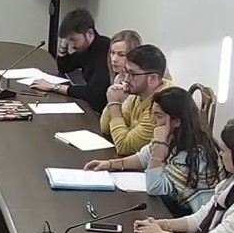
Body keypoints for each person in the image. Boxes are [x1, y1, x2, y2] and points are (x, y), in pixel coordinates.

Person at [87, 86, 224, 216]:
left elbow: (155, 187)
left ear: (177, 122)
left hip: (191, 216)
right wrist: (110, 164)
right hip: (172, 205)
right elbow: (143, 157)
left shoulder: (195, 154)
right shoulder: (174, 138)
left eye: (158, 116)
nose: (153, 121)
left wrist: (159, 145)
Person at [99, 44, 175, 155]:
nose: (126, 79)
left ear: (152, 79)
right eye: (126, 72)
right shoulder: (138, 93)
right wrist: (113, 101)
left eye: (132, 74)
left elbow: (124, 147)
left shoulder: (162, 106)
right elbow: (105, 128)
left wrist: (114, 104)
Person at [32, 8, 111, 113]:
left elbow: (93, 93)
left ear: (89, 33)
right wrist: (64, 44)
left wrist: (54, 87)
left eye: (73, 39)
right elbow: (64, 67)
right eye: (68, 40)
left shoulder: (104, 51)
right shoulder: (86, 47)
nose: (72, 45)